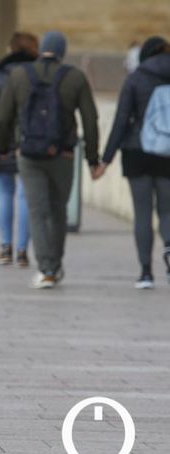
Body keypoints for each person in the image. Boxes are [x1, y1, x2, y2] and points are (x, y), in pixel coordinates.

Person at [0, 31, 104, 289]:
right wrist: (92, 159)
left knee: (37, 211)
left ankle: (46, 269)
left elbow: (2, 118)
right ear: (62, 51)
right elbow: (90, 120)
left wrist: (2, 148)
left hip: (29, 155)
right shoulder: (75, 77)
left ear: (41, 49)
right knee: (58, 211)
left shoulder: (19, 75)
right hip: (63, 155)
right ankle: (54, 264)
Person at [101, 36, 170, 289]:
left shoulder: (136, 78)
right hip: (168, 153)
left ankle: (146, 273)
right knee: (167, 211)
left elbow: (120, 121)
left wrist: (105, 160)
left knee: (142, 214)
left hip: (137, 151)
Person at [0, 32, 39, 268]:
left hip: (3, 137)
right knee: (26, 194)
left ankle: (5, 247)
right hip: (30, 138)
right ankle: (24, 251)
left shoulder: (1, 73)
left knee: (5, 190)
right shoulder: (38, 73)